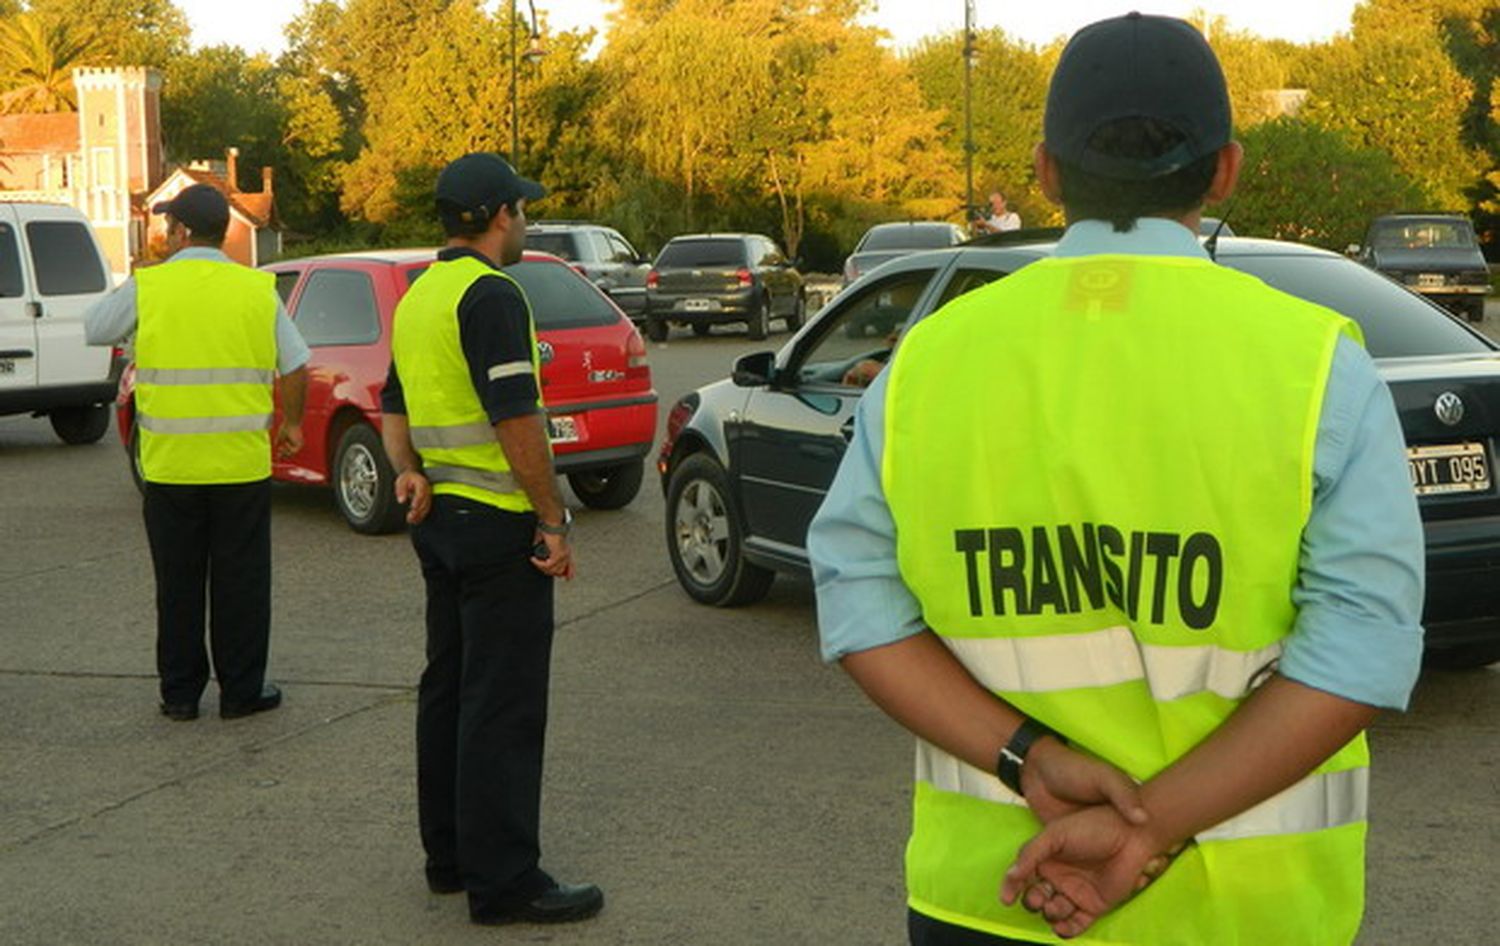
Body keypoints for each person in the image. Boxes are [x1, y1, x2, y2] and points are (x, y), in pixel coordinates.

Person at [808, 13, 1423, 946]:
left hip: (990, 898)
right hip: (1251, 914)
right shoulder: (1316, 370)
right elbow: (1362, 654)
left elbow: (859, 609)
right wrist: (1154, 825)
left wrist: (1029, 761)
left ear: (1048, 172)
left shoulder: (928, 363)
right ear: (1225, 170)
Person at [379, 152, 603, 927]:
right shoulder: (492, 294)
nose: (526, 219)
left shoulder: (419, 294)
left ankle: (449, 857)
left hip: (437, 519)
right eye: (522, 207)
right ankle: (505, 881)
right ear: (501, 215)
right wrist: (551, 519)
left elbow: (394, 399)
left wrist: (407, 471)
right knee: (502, 705)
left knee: (449, 688)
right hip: (496, 524)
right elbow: (515, 416)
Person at [85, 184, 308, 722]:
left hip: (171, 468)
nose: (163, 234)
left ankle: (181, 695)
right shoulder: (256, 289)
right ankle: (241, 692)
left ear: (183, 231)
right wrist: (294, 424)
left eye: (168, 226)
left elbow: (95, 328)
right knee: (243, 583)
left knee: (179, 582)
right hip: (240, 465)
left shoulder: (151, 286)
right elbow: (296, 362)